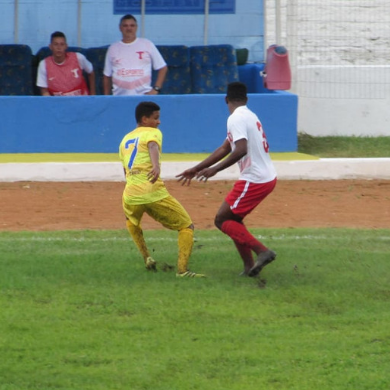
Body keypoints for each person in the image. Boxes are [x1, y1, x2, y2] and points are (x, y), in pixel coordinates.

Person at [176, 82, 277, 277]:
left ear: (226, 99)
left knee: (222, 219)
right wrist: (198, 168)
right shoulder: (249, 115)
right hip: (265, 177)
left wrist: (214, 170)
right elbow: (225, 148)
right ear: (246, 99)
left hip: (255, 178)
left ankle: (262, 251)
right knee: (234, 219)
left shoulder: (235, 118)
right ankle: (249, 267)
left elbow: (240, 149)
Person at [119, 101, 205, 278]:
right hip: (152, 191)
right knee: (186, 226)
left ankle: (147, 258)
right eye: (156, 118)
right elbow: (152, 146)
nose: (159, 122)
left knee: (131, 221)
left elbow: (125, 170)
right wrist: (156, 166)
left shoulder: (125, 139)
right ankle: (182, 270)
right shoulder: (153, 133)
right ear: (145, 119)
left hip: (130, 193)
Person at [103, 14, 168, 96]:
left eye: (132, 25)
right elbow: (107, 75)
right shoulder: (113, 48)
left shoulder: (147, 44)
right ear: (120, 28)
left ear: (136, 27)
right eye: (125, 26)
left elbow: (163, 68)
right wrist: (107, 98)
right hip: (119, 97)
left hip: (144, 96)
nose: (129, 28)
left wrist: (156, 89)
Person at [36, 31, 95, 96]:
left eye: (62, 44)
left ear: (66, 46)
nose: (59, 48)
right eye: (56, 44)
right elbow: (44, 91)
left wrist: (92, 95)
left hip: (81, 101)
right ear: (50, 47)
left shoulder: (78, 57)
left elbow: (91, 72)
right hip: (58, 103)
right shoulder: (44, 64)